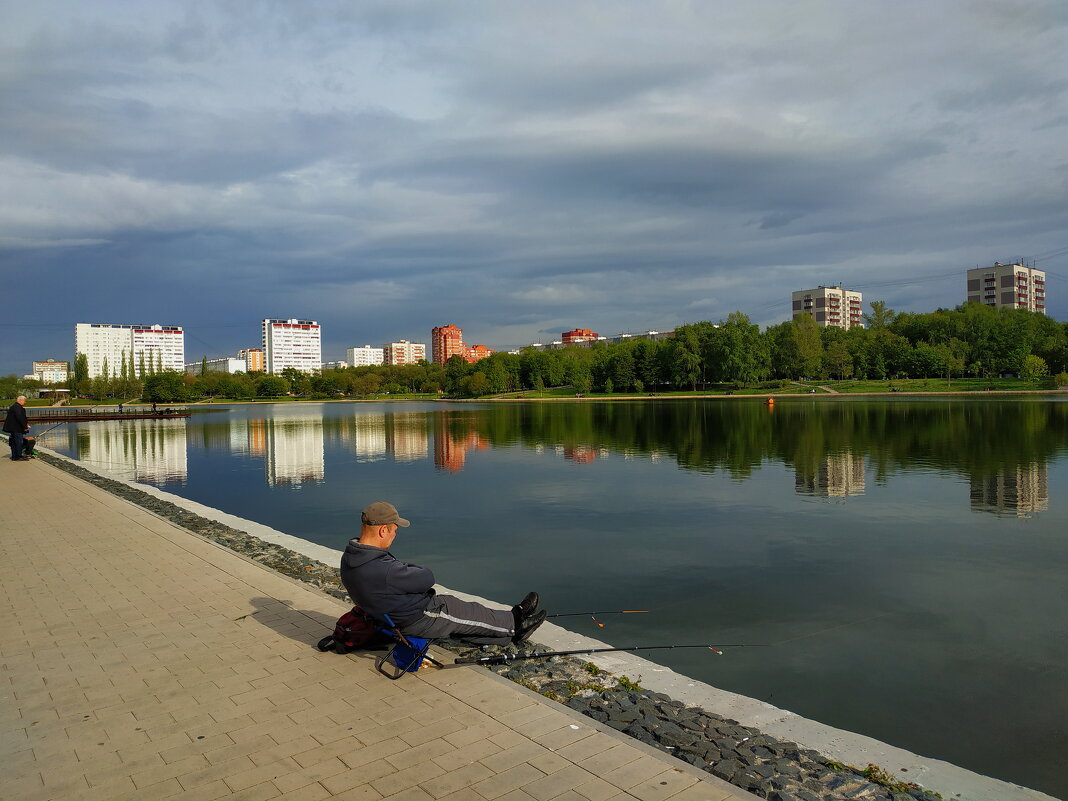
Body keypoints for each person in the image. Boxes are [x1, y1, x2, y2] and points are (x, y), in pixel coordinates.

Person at [340, 501, 546, 645]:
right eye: (394, 530)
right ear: (383, 530)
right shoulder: (383, 569)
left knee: (462, 621)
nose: (395, 535)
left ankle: (510, 629)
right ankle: (516, 624)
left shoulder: (352, 557)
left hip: (390, 616)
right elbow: (427, 578)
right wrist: (406, 568)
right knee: (463, 613)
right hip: (416, 617)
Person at [3, 395, 31, 461]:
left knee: (14, 442)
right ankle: (18, 456)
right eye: (24, 401)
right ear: (20, 400)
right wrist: (25, 426)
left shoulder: (15, 406)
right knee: (19, 442)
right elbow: (20, 418)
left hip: (13, 428)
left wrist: (25, 424)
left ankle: (14, 456)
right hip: (16, 428)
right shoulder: (17, 407)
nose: (25, 402)